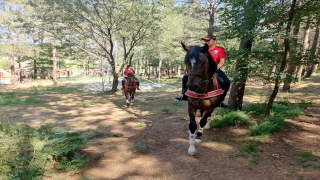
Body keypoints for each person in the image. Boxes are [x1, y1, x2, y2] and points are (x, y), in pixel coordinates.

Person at [175, 34, 230, 108]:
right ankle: (184, 94)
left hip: (215, 69)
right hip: (201, 70)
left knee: (226, 81)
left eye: (208, 40)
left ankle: (220, 100)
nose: (206, 41)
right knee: (185, 77)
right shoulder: (201, 49)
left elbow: (222, 61)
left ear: (214, 40)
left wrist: (215, 68)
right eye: (205, 40)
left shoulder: (220, 49)